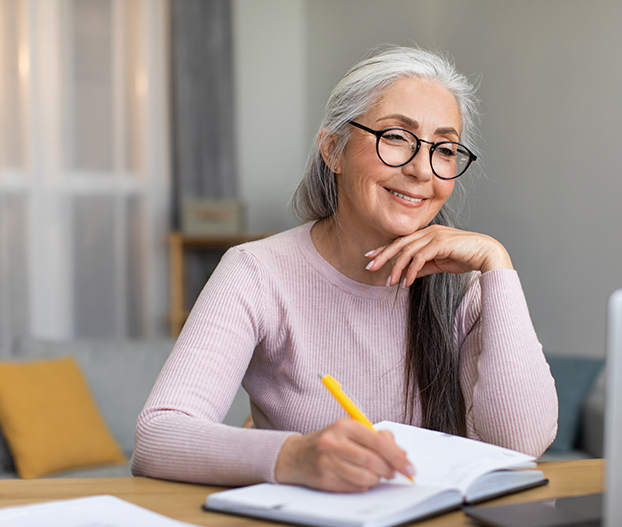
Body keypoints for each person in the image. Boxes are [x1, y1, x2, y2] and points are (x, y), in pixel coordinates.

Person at [132, 45, 558, 491]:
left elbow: (520, 445)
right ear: (333, 150)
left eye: (445, 149)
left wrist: (497, 265)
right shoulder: (256, 272)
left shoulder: (468, 285)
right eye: (395, 137)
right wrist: (292, 455)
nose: (421, 170)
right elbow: (157, 436)